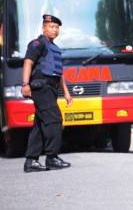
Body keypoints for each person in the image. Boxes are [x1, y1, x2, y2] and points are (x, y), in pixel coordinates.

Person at [22, 14, 72, 173]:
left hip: (51, 88)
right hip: (41, 87)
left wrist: (66, 92)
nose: (54, 29)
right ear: (44, 28)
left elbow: (59, 73)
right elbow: (28, 62)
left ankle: (31, 161)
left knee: (39, 124)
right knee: (55, 120)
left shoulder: (55, 48)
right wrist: (25, 84)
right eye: (51, 26)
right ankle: (52, 157)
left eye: (57, 27)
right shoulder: (38, 44)